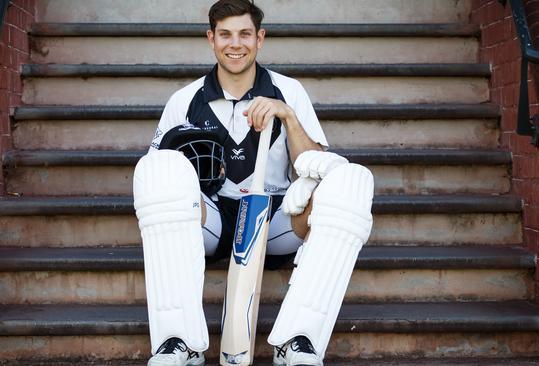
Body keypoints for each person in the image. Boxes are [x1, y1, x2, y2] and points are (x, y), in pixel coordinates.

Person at [132, 1, 374, 365]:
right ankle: (178, 341)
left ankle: (297, 339)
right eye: (225, 34)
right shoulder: (184, 99)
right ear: (210, 39)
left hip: (274, 218)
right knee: (159, 172)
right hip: (208, 218)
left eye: (245, 34)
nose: (236, 44)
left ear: (260, 39)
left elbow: (316, 164)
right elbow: (156, 170)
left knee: (347, 184)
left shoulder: (288, 90)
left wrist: (288, 116)